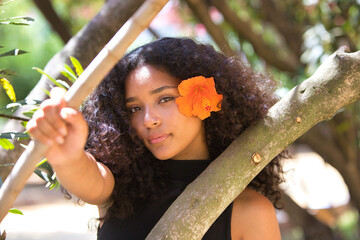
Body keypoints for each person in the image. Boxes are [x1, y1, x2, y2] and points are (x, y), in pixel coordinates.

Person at [27, 37, 284, 239]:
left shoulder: (251, 211)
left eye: (165, 99)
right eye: (134, 109)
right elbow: (90, 177)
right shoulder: (122, 188)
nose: (149, 120)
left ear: (204, 95)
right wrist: (67, 157)